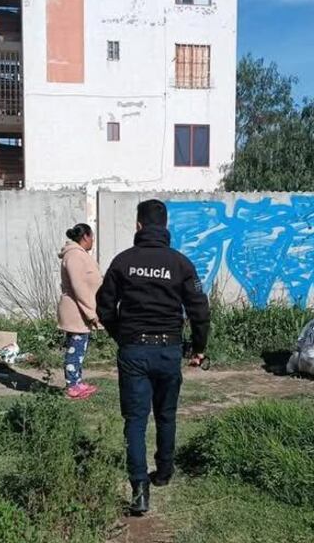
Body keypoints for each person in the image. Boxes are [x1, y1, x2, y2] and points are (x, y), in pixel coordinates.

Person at [97, 199, 210, 516]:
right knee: (166, 414)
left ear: (138, 225)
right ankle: (163, 472)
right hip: (168, 350)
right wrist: (199, 347)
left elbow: (104, 306)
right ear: (165, 226)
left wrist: (122, 335)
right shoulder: (181, 264)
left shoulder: (123, 262)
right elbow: (200, 311)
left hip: (134, 350)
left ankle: (139, 490)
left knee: (135, 420)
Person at [57, 223, 104, 400]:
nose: (93, 241)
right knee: (75, 348)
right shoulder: (74, 256)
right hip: (76, 311)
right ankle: (71, 385)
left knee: (80, 347)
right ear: (85, 236)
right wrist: (92, 313)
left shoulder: (79, 254)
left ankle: (77, 380)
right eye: (92, 237)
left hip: (81, 310)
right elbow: (79, 287)